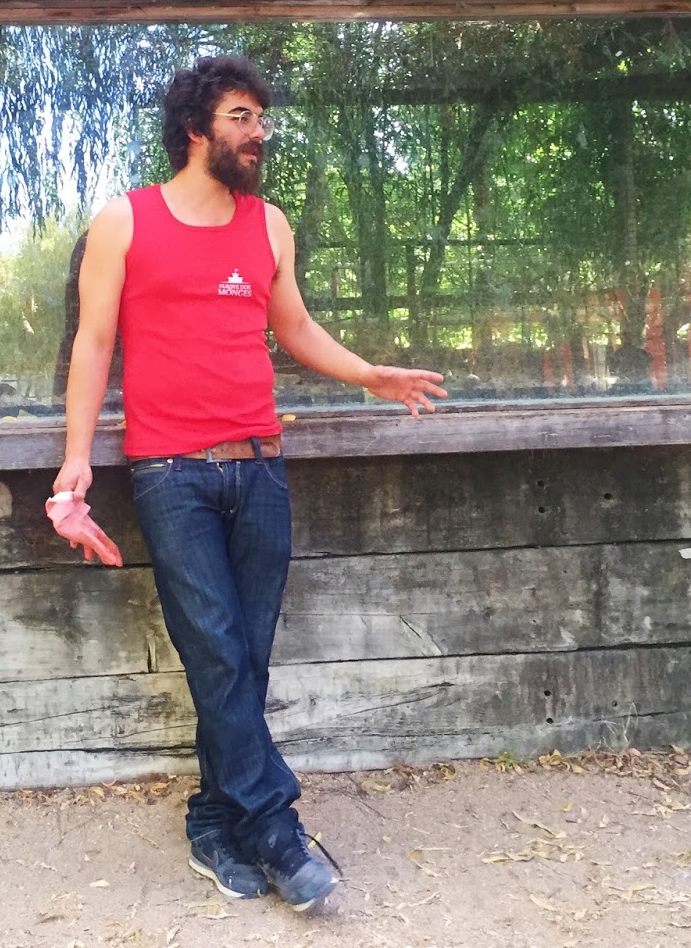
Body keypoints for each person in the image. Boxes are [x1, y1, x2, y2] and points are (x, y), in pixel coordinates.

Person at [52, 56, 447, 913]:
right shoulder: (124, 221)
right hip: (171, 473)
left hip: (261, 465)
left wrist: (369, 373)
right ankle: (275, 827)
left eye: (262, 117)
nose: (259, 131)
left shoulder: (269, 224)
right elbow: (93, 344)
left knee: (243, 660)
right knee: (220, 652)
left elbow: (294, 325)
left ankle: (211, 818)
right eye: (242, 116)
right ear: (196, 127)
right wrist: (75, 459)